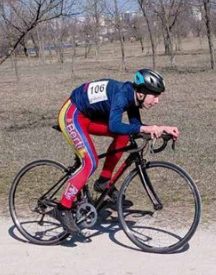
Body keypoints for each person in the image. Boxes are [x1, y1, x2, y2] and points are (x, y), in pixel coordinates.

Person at [55, 68, 179, 235]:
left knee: (124, 135)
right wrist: (148, 128)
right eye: (155, 95)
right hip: (72, 114)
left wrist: (163, 129)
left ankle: (104, 182)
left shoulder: (133, 98)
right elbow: (114, 125)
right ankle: (63, 207)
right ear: (141, 93)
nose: (157, 101)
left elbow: (135, 127)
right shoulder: (122, 95)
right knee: (90, 162)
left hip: (88, 117)